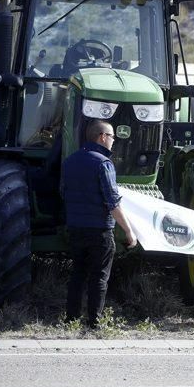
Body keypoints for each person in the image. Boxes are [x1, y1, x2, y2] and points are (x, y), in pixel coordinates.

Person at [62, 119, 137, 328]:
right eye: (112, 136)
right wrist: (129, 232)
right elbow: (112, 202)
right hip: (100, 231)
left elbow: (64, 193)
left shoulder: (69, 162)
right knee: (99, 277)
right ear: (102, 137)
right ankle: (94, 322)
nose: (114, 140)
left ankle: (71, 319)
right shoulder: (103, 163)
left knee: (77, 274)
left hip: (76, 228)